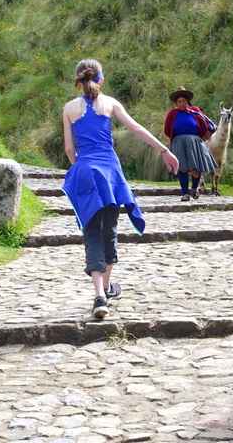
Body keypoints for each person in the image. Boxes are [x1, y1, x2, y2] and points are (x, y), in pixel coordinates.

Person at [62, 59, 179, 320]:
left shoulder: (69, 108)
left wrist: (81, 168)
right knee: (110, 230)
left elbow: (70, 150)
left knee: (91, 231)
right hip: (110, 172)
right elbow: (136, 128)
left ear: (78, 80)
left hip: (86, 170)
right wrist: (164, 150)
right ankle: (107, 287)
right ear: (101, 79)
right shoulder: (111, 104)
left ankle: (99, 295)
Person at [163, 87, 218, 201]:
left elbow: (204, 127)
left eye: (184, 101)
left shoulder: (195, 113)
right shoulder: (172, 114)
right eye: (179, 101)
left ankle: (194, 189)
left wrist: (201, 137)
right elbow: (167, 130)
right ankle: (185, 193)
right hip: (178, 143)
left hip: (195, 143)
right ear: (176, 103)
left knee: (196, 168)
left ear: (187, 102)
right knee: (181, 168)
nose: (182, 103)